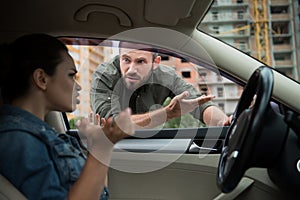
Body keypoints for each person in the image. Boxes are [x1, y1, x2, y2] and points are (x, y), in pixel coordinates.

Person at [0, 34, 135, 200]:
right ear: (42, 79)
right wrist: (102, 147)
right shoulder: (18, 139)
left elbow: (99, 194)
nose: (78, 87)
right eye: (71, 75)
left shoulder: (43, 135)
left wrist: (96, 148)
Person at [90, 42, 230, 129]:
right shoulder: (105, 75)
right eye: (126, 60)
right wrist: (166, 114)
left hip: (150, 144)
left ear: (156, 62)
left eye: (141, 62)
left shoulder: (167, 76)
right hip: (109, 148)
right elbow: (111, 124)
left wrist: (224, 123)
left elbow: (198, 103)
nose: (131, 69)